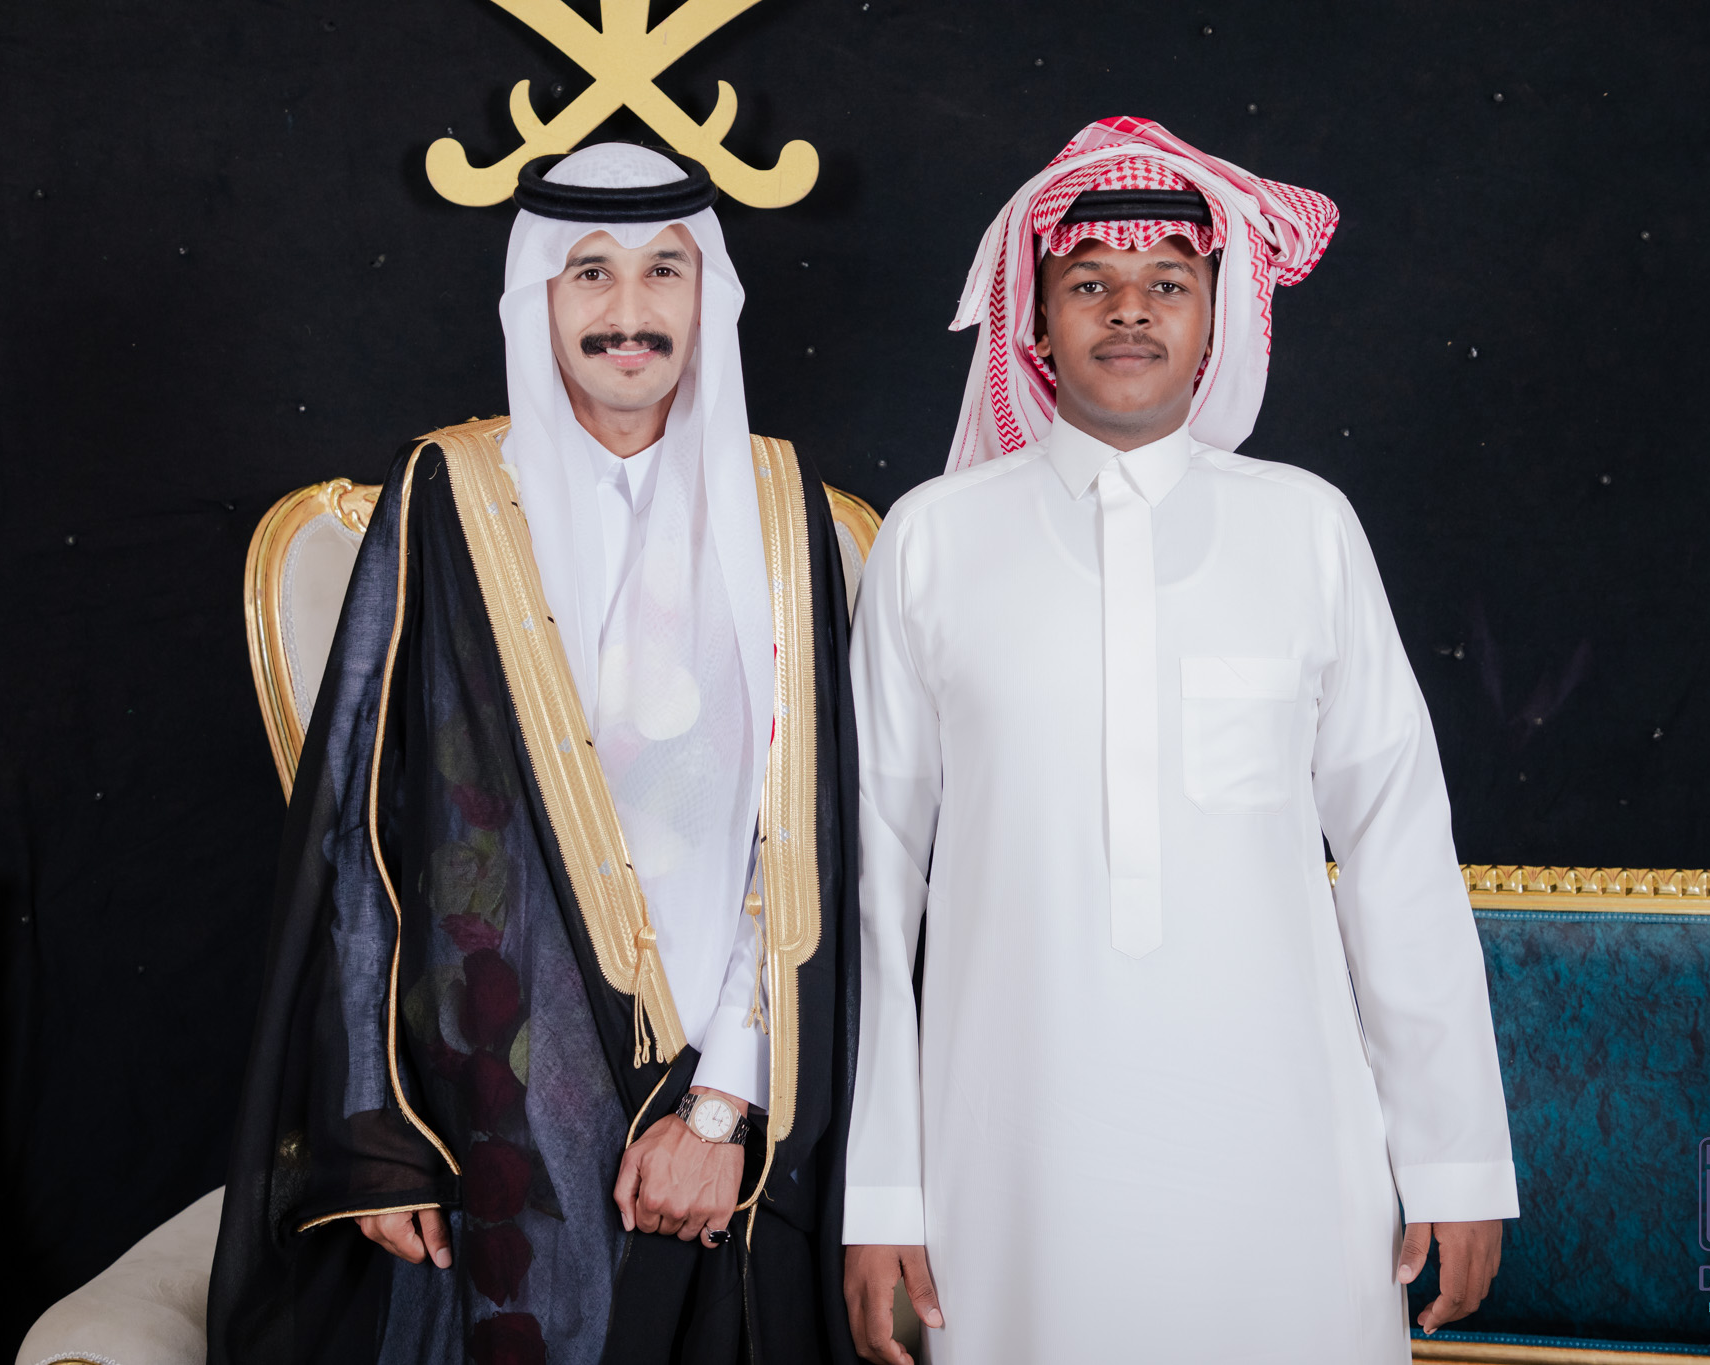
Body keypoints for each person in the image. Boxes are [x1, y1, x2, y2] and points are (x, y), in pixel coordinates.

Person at [841, 117, 1519, 1364]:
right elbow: (875, 890)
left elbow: (1398, 857)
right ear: (1034, 325)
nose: (1129, 312)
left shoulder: (1304, 529)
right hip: (1008, 1149)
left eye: (1167, 284)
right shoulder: (931, 540)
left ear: (1215, 323)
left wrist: (1454, 1155)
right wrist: (880, 1193)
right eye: (1087, 284)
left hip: (1286, 1144)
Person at [208, 142, 860, 1365]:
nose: (628, 312)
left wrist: (723, 1109)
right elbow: (361, 825)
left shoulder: (781, 510)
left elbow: (811, 838)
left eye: (663, 270)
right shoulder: (449, 495)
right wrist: (378, 1133)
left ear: (707, 294)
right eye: (590, 273)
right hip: (484, 1106)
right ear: (538, 298)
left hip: (727, 1100)